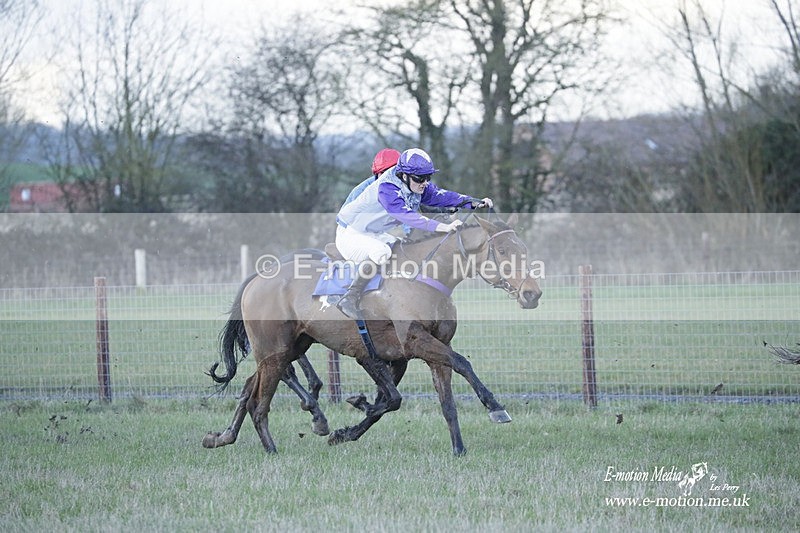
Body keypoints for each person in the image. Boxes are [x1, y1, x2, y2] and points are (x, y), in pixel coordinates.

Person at [334, 147, 493, 319]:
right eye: (420, 178)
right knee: (382, 252)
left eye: (428, 177)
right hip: (350, 234)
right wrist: (443, 227)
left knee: (400, 250)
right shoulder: (386, 188)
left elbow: (441, 195)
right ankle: (349, 298)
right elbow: (407, 216)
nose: (424, 182)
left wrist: (471, 202)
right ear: (404, 175)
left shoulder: (413, 182)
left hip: (371, 232)